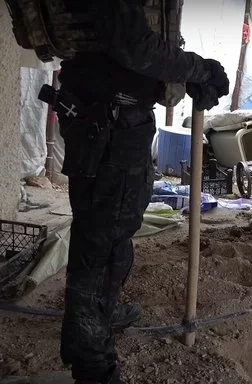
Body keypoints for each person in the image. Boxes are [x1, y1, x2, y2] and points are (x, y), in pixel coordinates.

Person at [11, 1, 229, 382]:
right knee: (101, 248)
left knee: (112, 234)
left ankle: (101, 317)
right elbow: (133, 44)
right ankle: (92, 364)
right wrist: (199, 68)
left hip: (114, 122)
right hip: (107, 125)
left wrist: (185, 71)